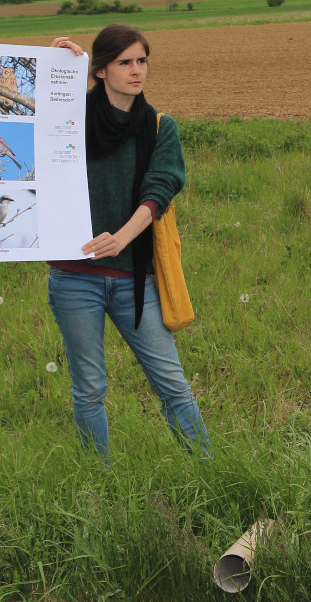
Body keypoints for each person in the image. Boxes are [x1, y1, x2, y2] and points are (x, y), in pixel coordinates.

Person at [47, 24, 211, 460]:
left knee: (172, 383)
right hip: (74, 277)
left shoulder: (160, 127)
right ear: (100, 70)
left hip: (135, 280)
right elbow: (28, 122)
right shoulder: (67, 122)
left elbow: (159, 191)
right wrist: (55, 67)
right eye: (125, 62)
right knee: (89, 389)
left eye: (142, 61)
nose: (137, 71)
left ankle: (210, 470)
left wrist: (120, 239)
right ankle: (96, 481)